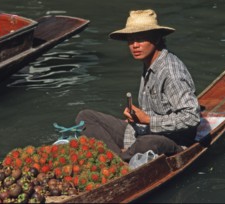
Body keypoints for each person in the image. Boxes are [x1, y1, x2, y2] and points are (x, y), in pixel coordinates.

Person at [75, 9, 200, 161]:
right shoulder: (149, 63)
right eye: (131, 40)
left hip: (172, 141)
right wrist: (136, 118)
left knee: (147, 142)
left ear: (157, 38)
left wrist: (148, 120)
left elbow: (192, 117)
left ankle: (119, 159)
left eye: (141, 39)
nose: (135, 45)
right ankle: (122, 156)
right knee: (85, 117)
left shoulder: (171, 72)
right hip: (143, 132)